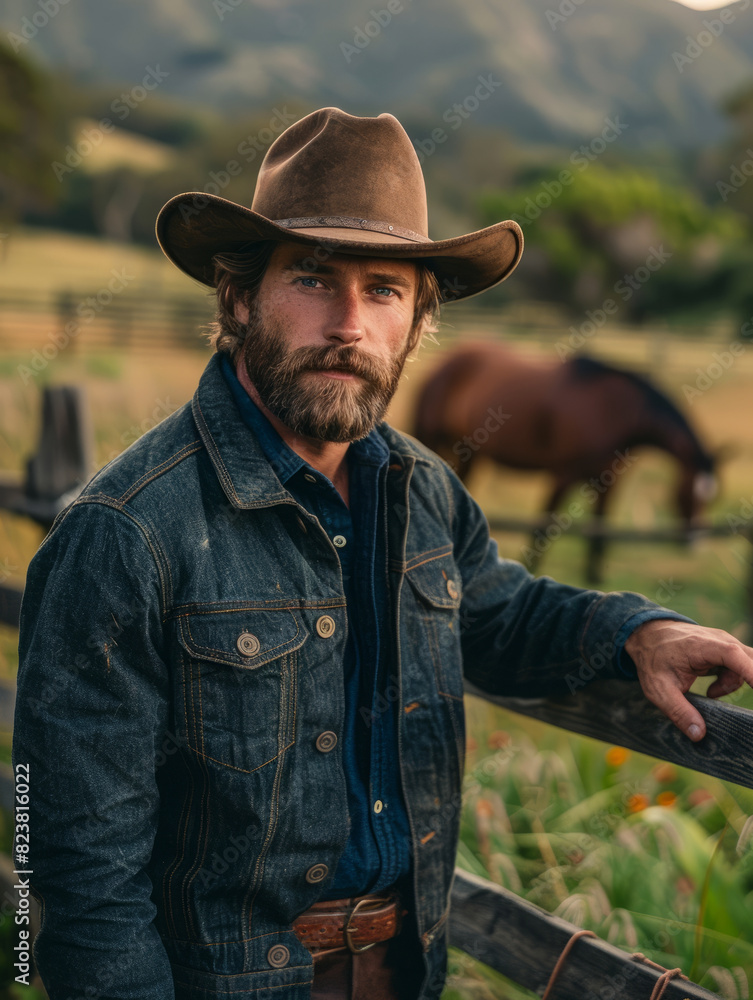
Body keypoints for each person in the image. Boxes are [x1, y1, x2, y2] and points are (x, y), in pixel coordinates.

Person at [12, 107, 753, 1000]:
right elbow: (76, 868)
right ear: (238, 295)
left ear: (418, 320)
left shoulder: (422, 489)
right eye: (315, 280)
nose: (350, 324)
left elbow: (497, 611)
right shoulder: (127, 530)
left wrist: (639, 629)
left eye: (385, 290)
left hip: (404, 970)